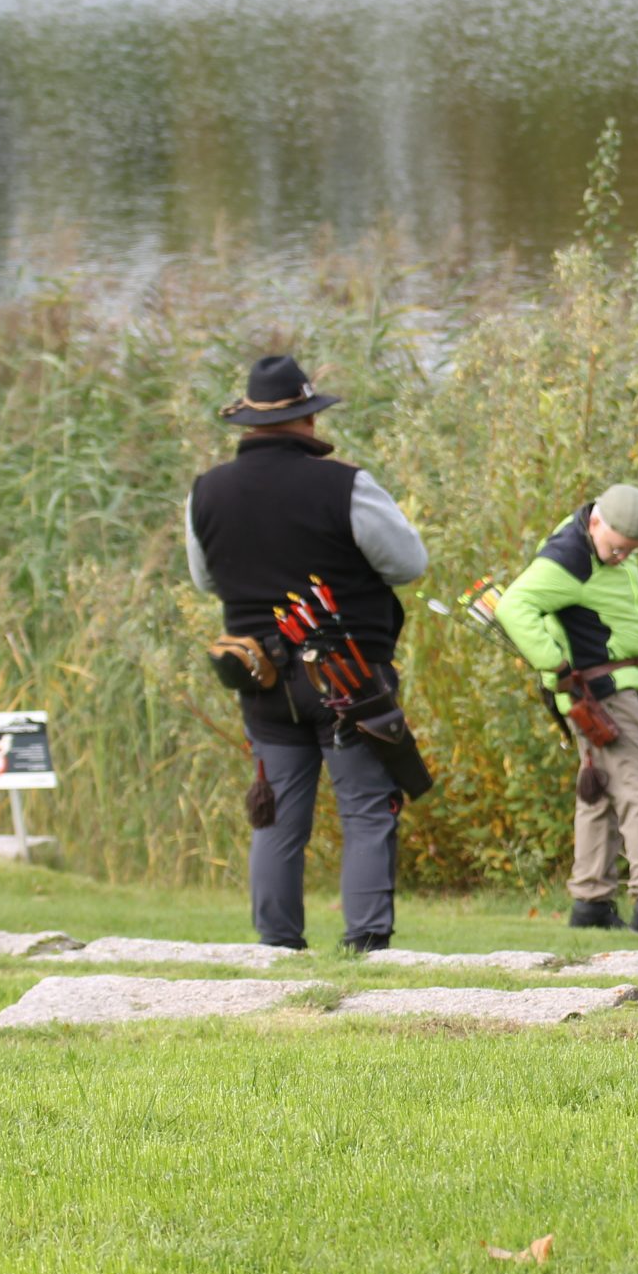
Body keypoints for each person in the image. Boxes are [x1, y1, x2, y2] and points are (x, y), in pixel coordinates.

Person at [185, 354, 428, 952]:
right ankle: (365, 945)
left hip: (260, 680)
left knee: (275, 815)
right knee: (367, 808)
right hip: (349, 677)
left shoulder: (205, 492)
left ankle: (276, 946)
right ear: (308, 419)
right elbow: (408, 564)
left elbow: (206, 580)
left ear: (251, 423)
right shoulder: (345, 484)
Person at [494, 485, 638, 937]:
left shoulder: (597, 549)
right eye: (617, 549)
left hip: (595, 691)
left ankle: (591, 902)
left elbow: (597, 601)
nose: (622, 557)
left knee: (598, 793)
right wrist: (555, 665)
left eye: (631, 551)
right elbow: (514, 606)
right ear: (595, 522)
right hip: (603, 693)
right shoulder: (569, 557)